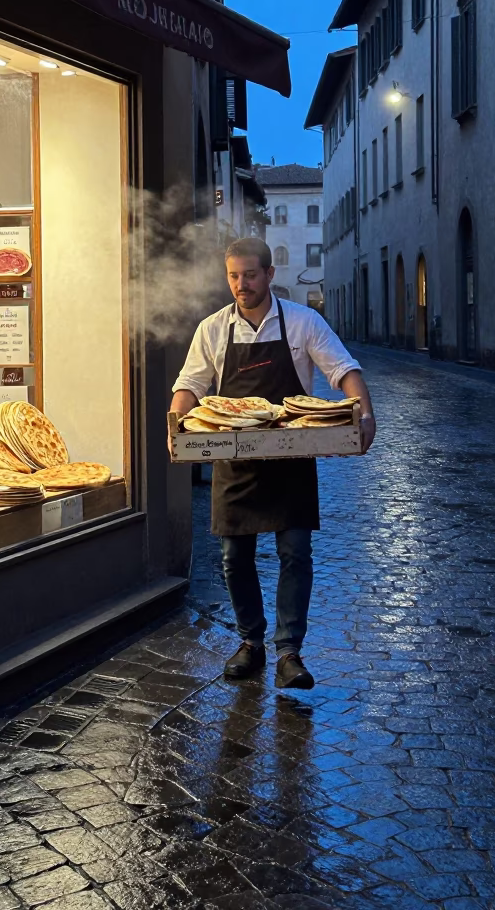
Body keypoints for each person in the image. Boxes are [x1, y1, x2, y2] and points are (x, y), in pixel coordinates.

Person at [170, 236, 376, 689]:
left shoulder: (303, 322)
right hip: (233, 456)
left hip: (290, 454)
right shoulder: (212, 330)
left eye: (249, 275)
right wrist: (178, 422)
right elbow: (191, 384)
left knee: (295, 554)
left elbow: (342, 370)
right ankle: (250, 643)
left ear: (269, 275)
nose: (241, 285)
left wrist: (363, 411)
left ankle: (289, 652)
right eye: (233, 276)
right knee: (233, 558)